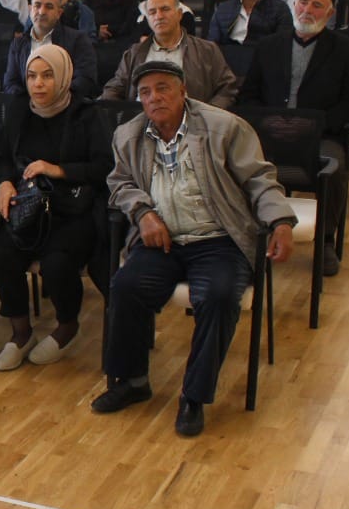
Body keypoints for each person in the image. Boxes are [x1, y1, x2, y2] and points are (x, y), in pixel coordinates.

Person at [93, 61, 297, 438]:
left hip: (218, 239)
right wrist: (143, 214)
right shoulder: (129, 134)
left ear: (183, 90)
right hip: (162, 239)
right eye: (145, 93)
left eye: (162, 88)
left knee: (218, 297)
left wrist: (281, 221)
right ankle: (131, 381)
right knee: (125, 287)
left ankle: (194, 396)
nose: (154, 98)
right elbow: (120, 183)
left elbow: (260, 180)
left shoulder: (224, 128)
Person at [0, 44, 110, 370]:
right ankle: (21, 332)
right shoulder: (18, 111)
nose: (38, 84)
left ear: (65, 77)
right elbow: (2, 160)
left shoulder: (86, 114)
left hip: (73, 210)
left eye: (47, 76)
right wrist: (4, 182)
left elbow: (104, 168)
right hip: (29, 208)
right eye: (31, 76)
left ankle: (67, 326)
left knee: (57, 263)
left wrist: (58, 169)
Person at [239, 0, 349, 276]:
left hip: (321, 134)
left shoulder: (347, 50)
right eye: (303, 2)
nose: (307, 10)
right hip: (270, 133)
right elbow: (249, 95)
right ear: (294, 4)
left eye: (317, 5)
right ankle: (246, 234)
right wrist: (267, 122)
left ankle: (325, 239)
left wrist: (316, 125)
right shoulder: (269, 46)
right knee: (237, 163)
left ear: (330, 13)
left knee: (332, 168)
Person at [101, 0, 237, 107]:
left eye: (165, 9)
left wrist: (208, 117)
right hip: (142, 123)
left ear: (179, 14)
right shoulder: (135, 52)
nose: (158, 16)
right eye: (152, 12)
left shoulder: (207, 50)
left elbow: (227, 88)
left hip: (192, 125)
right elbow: (114, 88)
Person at [2, 0, 99, 98]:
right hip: (27, 108)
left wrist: (52, 99)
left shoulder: (78, 40)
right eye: (37, 6)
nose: (42, 12)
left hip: (66, 108)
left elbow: (85, 80)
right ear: (30, 10)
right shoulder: (19, 43)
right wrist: (32, 100)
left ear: (59, 13)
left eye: (49, 7)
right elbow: (10, 83)